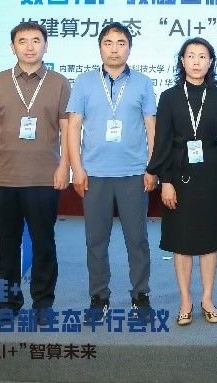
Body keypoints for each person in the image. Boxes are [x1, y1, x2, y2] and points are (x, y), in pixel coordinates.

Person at [0, 21, 71, 326]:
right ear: (12, 46)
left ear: (46, 45)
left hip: (44, 177)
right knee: (6, 245)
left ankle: (43, 304)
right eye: (22, 41)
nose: (29, 47)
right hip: (4, 177)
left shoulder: (59, 83)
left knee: (44, 243)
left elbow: (68, 129)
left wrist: (65, 166)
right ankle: (8, 303)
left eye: (36, 40)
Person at [67, 22, 158, 323]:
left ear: (129, 48)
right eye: (108, 43)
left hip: (134, 173)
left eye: (121, 43)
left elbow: (151, 128)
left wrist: (152, 168)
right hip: (94, 174)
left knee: (137, 239)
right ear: (100, 48)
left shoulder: (143, 83)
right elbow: (73, 127)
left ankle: (140, 296)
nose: (115, 49)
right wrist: (77, 168)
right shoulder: (84, 82)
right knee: (96, 240)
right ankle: (99, 297)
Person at [146, 37, 217, 326]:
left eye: (202, 56)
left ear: (211, 62)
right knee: (181, 241)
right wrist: (165, 180)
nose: (197, 62)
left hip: (212, 175)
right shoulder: (169, 97)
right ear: (182, 61)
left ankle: (207, 298)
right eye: (191, 56)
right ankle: (185, 300)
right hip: (179, 175)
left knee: (209, 240)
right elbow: (162, 141)